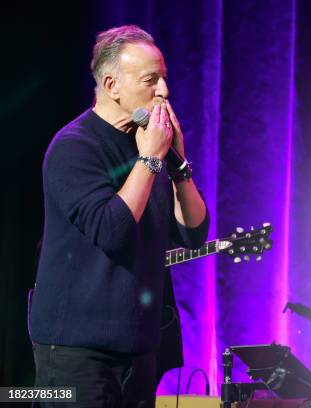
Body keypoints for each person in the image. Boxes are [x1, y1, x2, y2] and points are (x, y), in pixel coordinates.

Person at [29, 25, 209, 407]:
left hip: (138, 349)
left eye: (163, 78)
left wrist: (178, 164)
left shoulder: (148, 145)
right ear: (112, 85)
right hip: (77, 352)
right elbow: (113, 230)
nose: (163, 91)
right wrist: (149, 160)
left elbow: (193, 234)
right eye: (150, 80)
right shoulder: (74, 147)